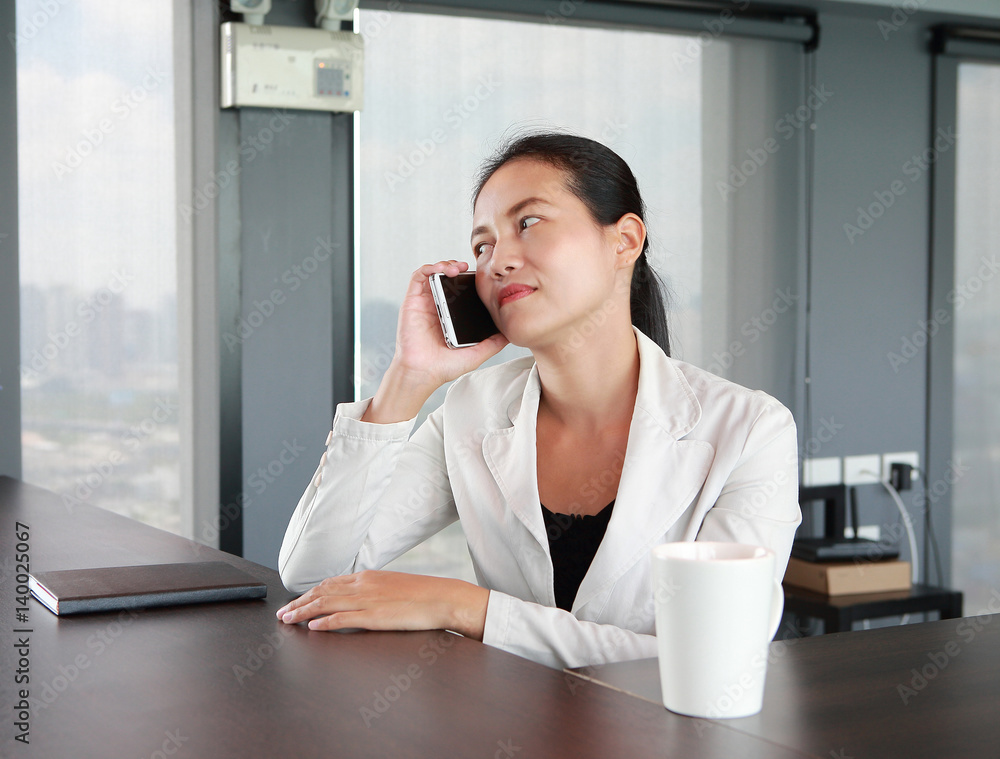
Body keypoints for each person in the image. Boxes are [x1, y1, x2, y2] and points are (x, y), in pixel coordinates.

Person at [276, 131, 801, 670]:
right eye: (482, 246)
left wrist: (466, 608)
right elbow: (315, 574)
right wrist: (409, 379)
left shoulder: (751, 430)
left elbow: (716, 659)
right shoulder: (470, 412)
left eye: (527, 223)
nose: (498, 261)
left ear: (624, 240)